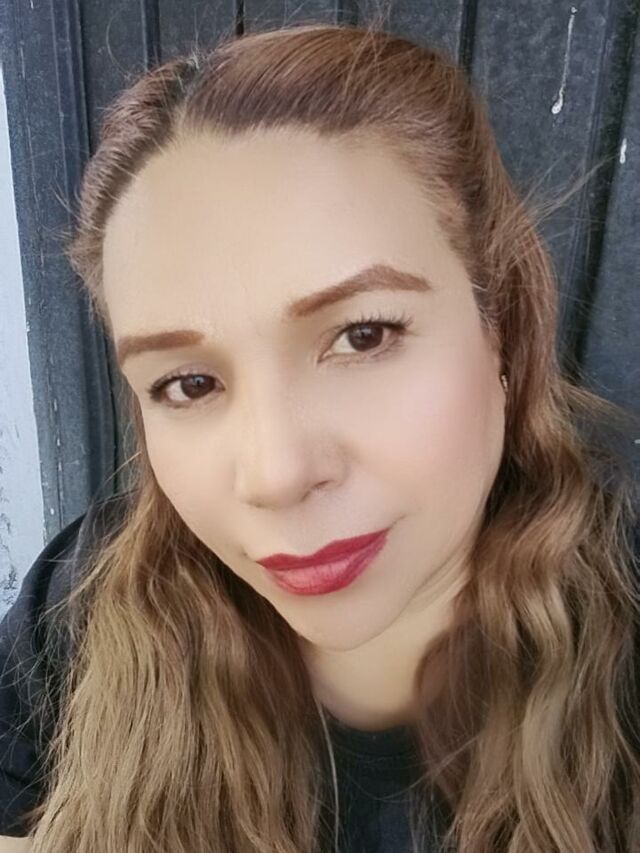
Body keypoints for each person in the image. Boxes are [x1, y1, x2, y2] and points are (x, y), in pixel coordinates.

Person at [1, 19, 639, 853]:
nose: (276, 472)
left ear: (504, 327)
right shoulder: (86, 605)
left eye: (363, 336)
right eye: (188, 383)